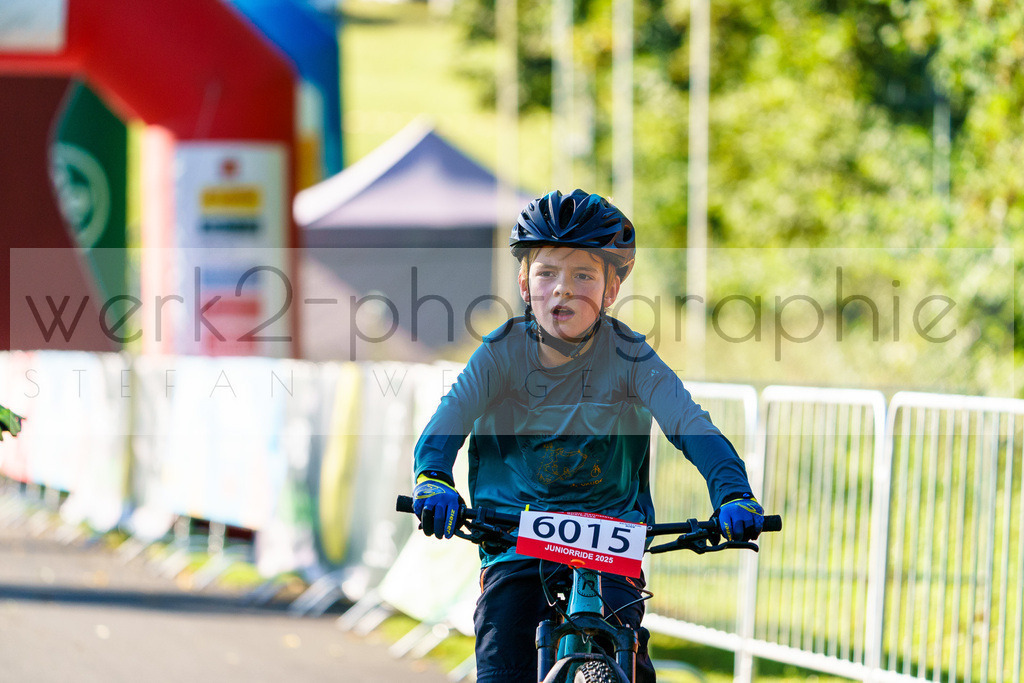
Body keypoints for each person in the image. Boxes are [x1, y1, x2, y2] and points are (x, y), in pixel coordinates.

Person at [411, 189, 764, 683]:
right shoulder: (499, 354)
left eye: (584, 275)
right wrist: (433, 478)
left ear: (611, 290)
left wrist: (734, 492)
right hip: (517, 541)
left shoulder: (630, 357)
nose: (563, 289)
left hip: (610, 543)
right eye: (548, 273)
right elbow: (448, 421)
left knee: (629, 662)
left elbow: (692, 425)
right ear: (524, 282)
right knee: (503, 653)